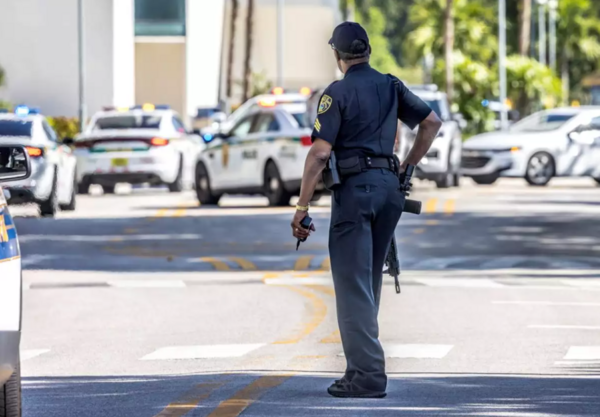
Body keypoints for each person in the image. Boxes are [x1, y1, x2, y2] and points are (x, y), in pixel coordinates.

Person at [291, 22, 442, 398]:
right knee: (368, 280)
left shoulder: (337, 93)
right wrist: (406, 166)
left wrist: (302, 205)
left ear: (338, 56)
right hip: (390, 189)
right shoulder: (391, 85)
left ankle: (368, 376)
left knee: (352, 283)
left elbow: (321, 152)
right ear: (368, 51)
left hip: (355, 193)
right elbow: (431, 122)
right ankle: (360, 368)